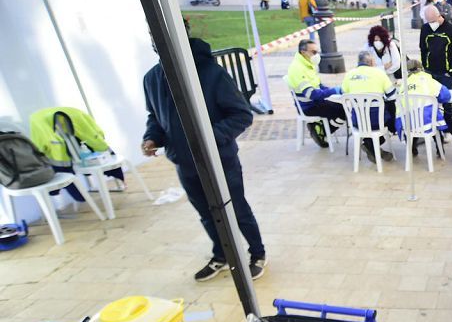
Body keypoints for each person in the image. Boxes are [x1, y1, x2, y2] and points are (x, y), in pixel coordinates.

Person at [142, 21, 266, 282]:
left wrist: (209, 137)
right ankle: (221, 255)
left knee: (236, 209)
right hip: (184, 162)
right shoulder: (151, 78)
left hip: (220, 159)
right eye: (153, 35)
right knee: (207, 214)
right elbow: (155, 115)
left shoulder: (211, 73)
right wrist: (152, 138)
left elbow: (241, 114)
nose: (158, 42)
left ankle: (257, 253)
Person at [29, 106, 126, 202]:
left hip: (68, 162)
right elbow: (99, 133)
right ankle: (115, 179)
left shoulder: (38, 122)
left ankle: (81, 195)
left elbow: (40, 148)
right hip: (81, 159)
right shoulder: (75, 114)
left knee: (64, 155)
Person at [285, 39, 346, 149]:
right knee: (344, 111)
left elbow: (319, 85)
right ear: (303, 52)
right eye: (313, 52)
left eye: (317, 52)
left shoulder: (307, 63)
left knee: (343, 106)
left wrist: (332, 91)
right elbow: (311, 94)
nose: (316, 55)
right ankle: (321, 133)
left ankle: (320, 127)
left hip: (316, 102)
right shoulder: (297, 68)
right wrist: (335, 91)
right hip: (309, 106)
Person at [340, 50, 396, 163]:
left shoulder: (349, 74)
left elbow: (343, 93)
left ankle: (370, 145)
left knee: (367, 122)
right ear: (370, 62)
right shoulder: (379, 73)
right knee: (389, 112)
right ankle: (372, 146)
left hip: (358, 122)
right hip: (378, 121)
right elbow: (392, 95)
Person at [395, 58, 451, 157]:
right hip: (428, 120)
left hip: (408, 123)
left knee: (413, 122)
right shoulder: (428, 80)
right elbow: (446, 96)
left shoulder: (403, 84)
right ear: (421, 68)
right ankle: (440, 150)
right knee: (434, 123)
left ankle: (412, 150)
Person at [420, 4, 452, 128]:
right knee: (431, 101)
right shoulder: (425, 28)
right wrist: (425, 67)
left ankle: (448, 126)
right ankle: (434, 125)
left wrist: (451, 72)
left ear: (439, 16)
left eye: (433, 21)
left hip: (446, 74)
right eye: (429, 22)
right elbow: (423, 49)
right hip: (430, 72)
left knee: (446, 101)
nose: (431, 24)